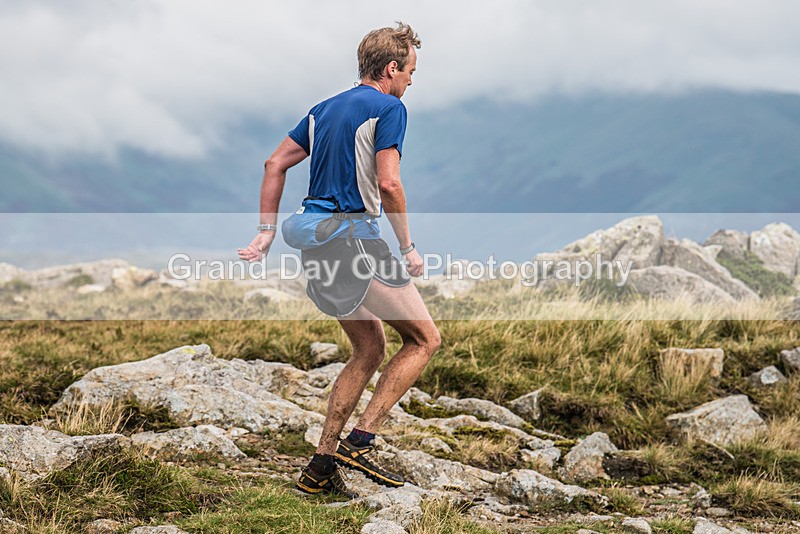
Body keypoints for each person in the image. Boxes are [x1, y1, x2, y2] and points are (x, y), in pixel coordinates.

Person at [237, 22, 440, 499]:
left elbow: (274, 164)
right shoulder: (390, 107)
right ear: (392, 68)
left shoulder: (322, 110)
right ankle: (360, 441)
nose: (412, 80)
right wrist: (408, 247)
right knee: (425, 339)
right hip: (356, 240)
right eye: (411, 70)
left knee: (368, 350)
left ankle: (321, 465)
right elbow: (389, 184)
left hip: (313, 242)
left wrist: (266, 233)